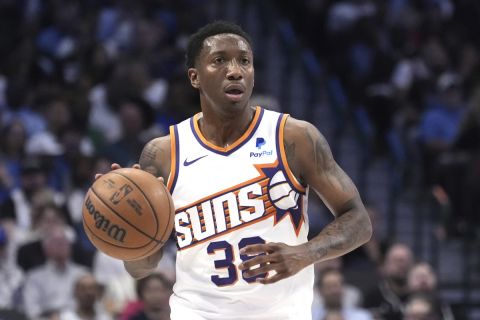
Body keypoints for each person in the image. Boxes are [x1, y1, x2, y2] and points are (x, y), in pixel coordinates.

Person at [103, 21, 372, 319]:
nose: (235, 70)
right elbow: (142, 267)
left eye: (245, 61)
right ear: (195, 77)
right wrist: (128, 222)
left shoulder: (292, 137)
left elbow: (359, 221)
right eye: (219, 61)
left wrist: (306, 253)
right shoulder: (164, 152)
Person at [364, 243, 415, 320]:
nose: (401, 265)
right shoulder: (372, 297)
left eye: (404, 260)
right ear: (385, 265)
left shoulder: (418, 295)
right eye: (396, 261)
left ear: (412, 264)